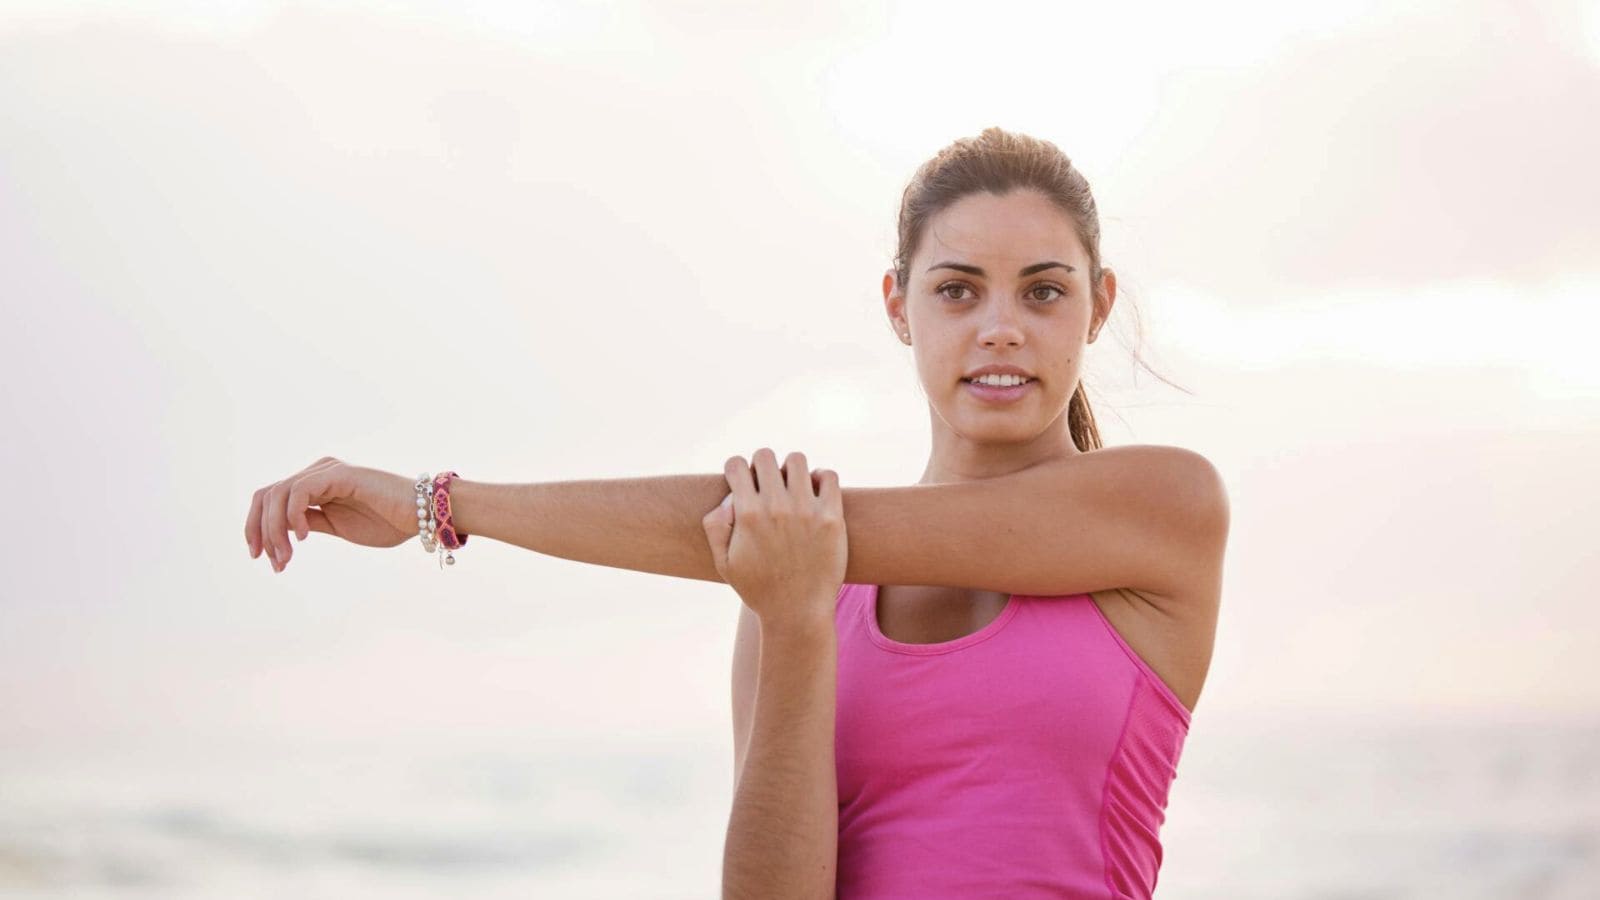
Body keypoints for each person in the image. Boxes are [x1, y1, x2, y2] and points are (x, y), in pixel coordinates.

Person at [243, 126, 1229, 899]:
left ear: (1097, 306)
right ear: (898, 305)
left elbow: (757, 525)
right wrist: (796, 625)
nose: (999, 326)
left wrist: (435, 505)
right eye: (958, 290)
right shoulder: (792, 577)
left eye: (1042, 291)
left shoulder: (1161, 509)